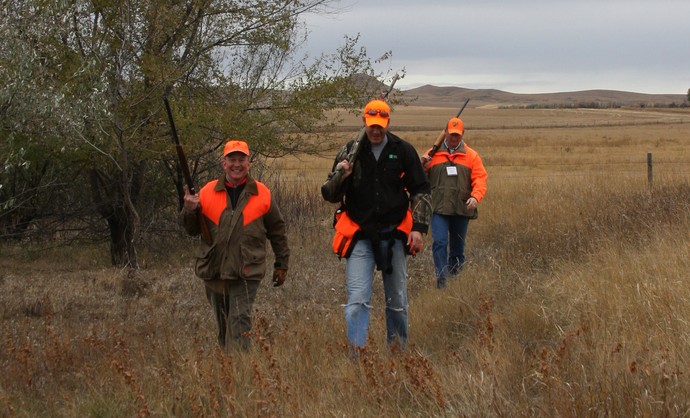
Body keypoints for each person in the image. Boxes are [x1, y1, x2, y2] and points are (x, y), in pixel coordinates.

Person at [321, 99, 431, 354]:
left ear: (388, 123)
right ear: (364, 122)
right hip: (360, 235)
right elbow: (330, 195)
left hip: (395, 235)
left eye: (381, 125)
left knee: (398, 303)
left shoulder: (403, 150)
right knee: (357, 302)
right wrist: (341, 175)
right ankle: (357, 357)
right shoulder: (350, 152)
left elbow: (420, 189)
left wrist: (418, 228)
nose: (376, 130)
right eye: (371, 125)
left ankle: (396, 354)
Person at [180, 139, 290, 350]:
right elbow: (191, 229)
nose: (236, 164)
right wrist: (189, 210)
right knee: (223, 329)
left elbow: (278, 231)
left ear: (249, 163)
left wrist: (282, 264)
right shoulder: (206, 192)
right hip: (215, 272)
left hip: (247, 272)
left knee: (239, 323)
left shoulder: (262, 193)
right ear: (224, 163)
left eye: (241, 159)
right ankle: (229, 373)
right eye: (232, 159)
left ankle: (241, 375)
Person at [421, 117, 487, 289]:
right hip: (438, 208)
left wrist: (475, 196)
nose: (454, 138)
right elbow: (419, 179)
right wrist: (422, 166)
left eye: (457, 135)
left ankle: (455, 281)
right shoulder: (432, 154)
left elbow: (480, 178)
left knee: (457, 248)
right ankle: (442, 282)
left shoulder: (471, 156)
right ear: (445, 133)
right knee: (440, 243)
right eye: (451, 135)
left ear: (462, 134)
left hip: (461, 208)